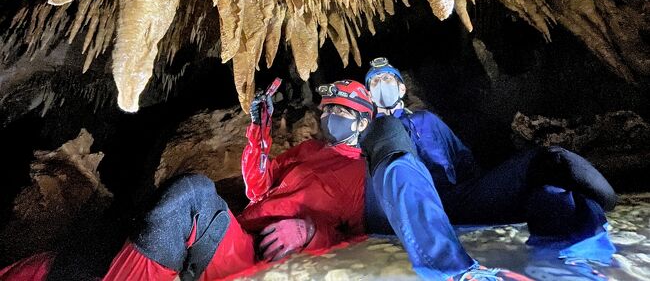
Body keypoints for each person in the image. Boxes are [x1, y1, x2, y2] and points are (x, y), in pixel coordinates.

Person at [0, 79, 374, 281]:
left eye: (342, 113)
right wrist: (259, 130)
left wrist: (309, 231)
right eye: (329, 111)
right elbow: (258, 185)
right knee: (122, 231)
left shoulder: (360, 174)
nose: (331, 119)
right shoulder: (310, 150)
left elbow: (361, 239)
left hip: (267, 258)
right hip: (241, 237)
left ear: (362, 123)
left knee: (190, 194)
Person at [362, 56, 618, 278]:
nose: (381, 85)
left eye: (387, 79)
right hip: (408, 208)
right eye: (374, 82)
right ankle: (450, 269)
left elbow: (462, 158)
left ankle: (575, 255)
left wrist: (488, 195)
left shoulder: (427, 120)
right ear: (369, 95)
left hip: (457, 198)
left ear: (401, 87)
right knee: (388, 132)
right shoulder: (370, 132)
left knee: (547, 173)